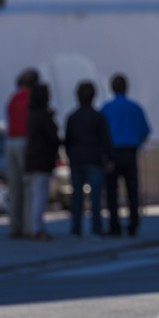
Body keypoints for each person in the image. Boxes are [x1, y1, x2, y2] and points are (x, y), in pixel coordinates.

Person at [100, 74, 151, 237]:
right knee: (132, 190)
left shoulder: (107, 108)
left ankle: (114, 225)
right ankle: (133, 224)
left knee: (112, 191)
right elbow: (145, 132)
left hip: (113, 152)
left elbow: (101, 133)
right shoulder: (135, 107)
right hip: (130, 151)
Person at [64, 81, 113, 238]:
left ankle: (76, 228)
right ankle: (96, 228)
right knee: (95, 198)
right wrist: (109, 158)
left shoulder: (72, 117)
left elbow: (67, 140)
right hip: (94, 160)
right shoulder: (98, 117)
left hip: (77, 160)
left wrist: (70, 156)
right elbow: (106, 140)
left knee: (76, 196)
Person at [5, 68, 38, 238]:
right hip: (25, 141)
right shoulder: (32, 98)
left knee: (14, 187)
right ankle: (27, 226)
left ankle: (13, 225)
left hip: (11, 140)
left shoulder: (13, 98)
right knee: (28, 185)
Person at [24, 84, 59, 241]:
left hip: (31, 158)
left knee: (33, 194)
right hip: (42, 159)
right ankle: (37, 228)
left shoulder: (31, 115)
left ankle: (33, 226)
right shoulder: (44, 116)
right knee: (40, 194)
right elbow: (53, 137)